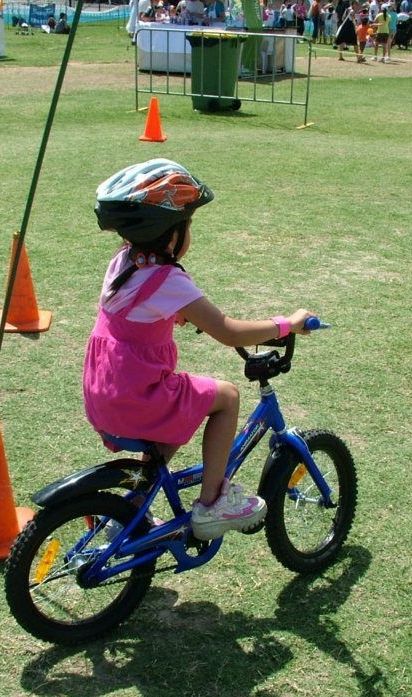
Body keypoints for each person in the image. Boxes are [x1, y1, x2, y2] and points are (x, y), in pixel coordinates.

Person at [84, 159, 314, 540]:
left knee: (183, 408)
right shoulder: (167, 280)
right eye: (187, 225)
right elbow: (228, 331)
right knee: (225, 397)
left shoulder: (123, 262)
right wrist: (288, 323)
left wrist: (176, 316)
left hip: (105, 393)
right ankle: (212, 504)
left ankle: (129, 511)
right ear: (169, 233)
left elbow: (134, 312)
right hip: (137, 397)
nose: (190, 234)